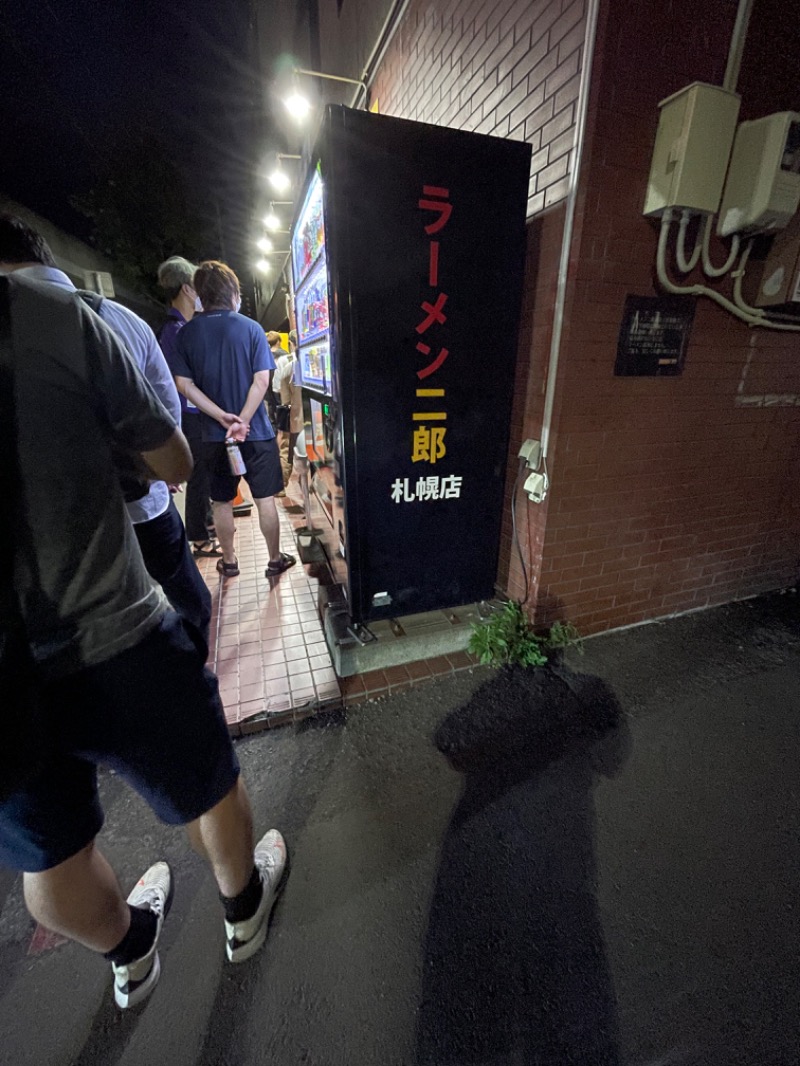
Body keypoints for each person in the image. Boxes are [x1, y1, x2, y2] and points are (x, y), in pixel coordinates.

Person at [0, 270, 288, 1009]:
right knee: (207, 783)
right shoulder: (55, 315)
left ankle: (129, 952)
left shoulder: (181, 336)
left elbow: (188, 398)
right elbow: (170, 459)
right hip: (110, 627)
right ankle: (244, 907)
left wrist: (215, 412)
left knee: (50, 857)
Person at [0, 216, 211, 645]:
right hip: (145, 509)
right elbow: (170, 431)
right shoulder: (117, 318)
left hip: (59, 565)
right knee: (185, 597)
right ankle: (190, 662)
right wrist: (155, 469)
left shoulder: (35, 325)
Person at [172, 261, 296, 579]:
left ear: (200, 294)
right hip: (255, 432)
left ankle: (229, 562)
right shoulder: (252, 329)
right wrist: (242, 420)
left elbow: (184, 385)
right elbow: (261, 382)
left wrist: (221, 418)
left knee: (221, 501)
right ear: (234, 293)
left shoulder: (186, 335)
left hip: (213, 436)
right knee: (265, 498)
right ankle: (273, 560)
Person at [156, 255, 220, 559]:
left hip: (193, 414)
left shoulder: (177, 327)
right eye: (197, 288)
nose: (200, 295)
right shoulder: (176, 331)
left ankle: (204, 526)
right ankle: (199, 536)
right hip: (189, 415)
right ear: (186, 289)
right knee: (198, 478)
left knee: (203, 476)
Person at [272, 331, 303, 487]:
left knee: (287, 452)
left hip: (294, 418)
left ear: (291, 344)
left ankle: (281, 486)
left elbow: (281, 395)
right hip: (315, 419)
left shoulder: (288, 367)